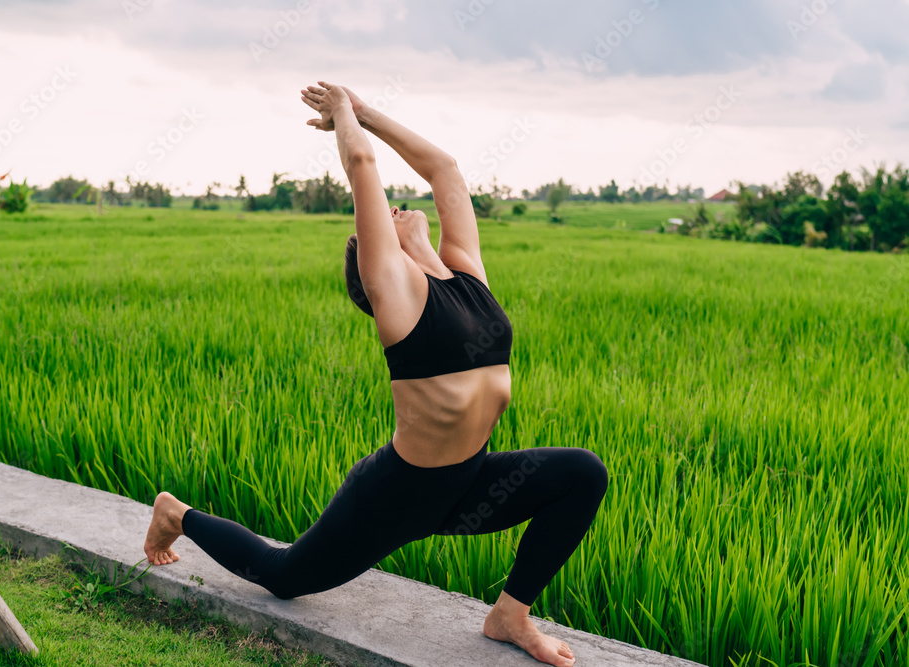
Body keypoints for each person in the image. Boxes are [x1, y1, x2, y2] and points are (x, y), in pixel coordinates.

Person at [143, 81, 608, 667]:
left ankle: (509, 615)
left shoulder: (466, 276)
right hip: (397, 494)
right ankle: (176, 514)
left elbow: (446, 171)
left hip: (469, 484)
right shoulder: (401, 297)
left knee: (582, 473)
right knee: (284, 576)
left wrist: (365, 111)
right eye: (382, 220)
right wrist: (341, 117)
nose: (394, 210)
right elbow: (361, 161)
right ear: (379, 261)